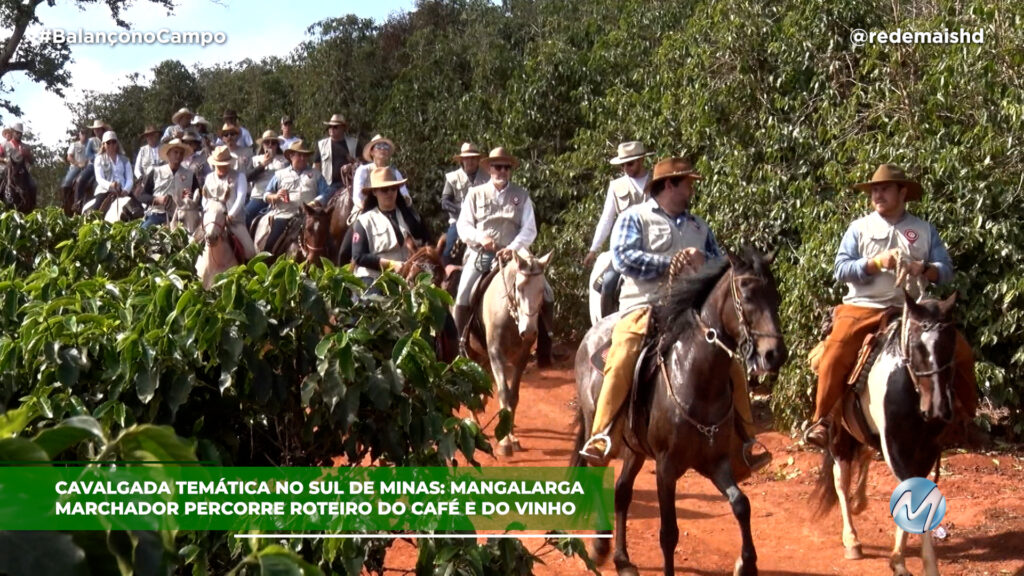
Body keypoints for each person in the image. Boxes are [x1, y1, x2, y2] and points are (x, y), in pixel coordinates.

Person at [577, 157, 769, 471]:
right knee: (623, 353)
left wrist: (701, 260)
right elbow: (623, 259)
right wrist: (671, 262)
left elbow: (721, 268)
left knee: (731, 362)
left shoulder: (699, 226)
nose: (692, 189)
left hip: (692, 315)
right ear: (669, 185)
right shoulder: (634, 218)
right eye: (688, 183)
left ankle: (745, 442)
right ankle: (602, 436)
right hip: (644, 305)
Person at [803, 164, 978, 448]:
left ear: (902, 192)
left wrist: (922, 267)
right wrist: (876, 263)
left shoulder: (924, 230)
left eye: (884, 188)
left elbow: (946, 271)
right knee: (835, 353)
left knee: (961, 351)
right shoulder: (859, 228)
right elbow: (841, 269)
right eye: (874, 189)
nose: (877, 194)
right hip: (863, 307)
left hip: (914, 309)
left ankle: (965, 419)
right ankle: (822, 420)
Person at [453, 146, 556, 365]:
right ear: (489, 168)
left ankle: (546, 349)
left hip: (515, 253)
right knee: (462, 294)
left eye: (506, 168)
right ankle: (460, 344)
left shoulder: (521, 196)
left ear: (510, 170)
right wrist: (481, 238)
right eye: (497, 167)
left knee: (546, 291)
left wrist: (514, 246)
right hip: (482, 252)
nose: (502, 171)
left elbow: (530, 229)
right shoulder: (475, 194)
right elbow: (463, 225)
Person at [584, 141, 654, 316]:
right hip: (626, 248)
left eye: (630, 163)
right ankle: (606, 326)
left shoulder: (658, 181)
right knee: (608, 282)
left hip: (657, 244)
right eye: (623, 164)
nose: (626, 168)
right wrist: (594, 249)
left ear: (642, 160)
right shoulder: (616, 186)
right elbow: (606, 219)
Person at [351, 166, 431, 285]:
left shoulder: (412, 217)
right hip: (375, 279)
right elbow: (358, 256)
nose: (389, 193)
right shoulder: (364, 221)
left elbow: (427, 243)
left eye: (393, 188)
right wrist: (391, 265)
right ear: (374, 192)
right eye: (384, 189)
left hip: (408, 278)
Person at [261, 140, 329, 251]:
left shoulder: (316, 174)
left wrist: (314, 202)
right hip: (285, 215)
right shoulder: (280, 174)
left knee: (327, 242)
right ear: (291, 155)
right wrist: (275, 196)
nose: (303, 158)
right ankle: (267, 265)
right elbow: (266, 194)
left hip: (308, 217)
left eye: (305, 155)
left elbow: (326, 193)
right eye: (299, 155)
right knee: (270, 246)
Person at [201, 145, 256, 261]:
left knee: (251, 251)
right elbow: (204, 199)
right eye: (219, 166)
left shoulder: (239, 177)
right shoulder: (209, 178)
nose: (222, 168)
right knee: (193, 244)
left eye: (225, 165)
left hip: (233, 221)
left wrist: (231, 214)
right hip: (212, 221)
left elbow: (241, 198)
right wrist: (209, 212)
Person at [440, 142, 488, 265]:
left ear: (478, 160)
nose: (470, 161)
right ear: (462, 160)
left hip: (483, 221)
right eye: (467, 158)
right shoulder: (453, 177)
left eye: (473, 158)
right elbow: (445, 202)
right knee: (448, 251)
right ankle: (444, 276)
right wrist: (463, 213)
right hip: (459, 222)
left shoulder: (487, 178)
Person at [137, 138, 200, 228]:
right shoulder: (156, 172)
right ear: (168, 154)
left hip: (183, 218)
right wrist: (158, 199)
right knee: (140, 235)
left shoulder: (190, 175)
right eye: (175, 152)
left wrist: (190, 197)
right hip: (158, 215)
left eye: (181, 153)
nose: (178, 155)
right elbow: (142, 196)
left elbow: (198, 198)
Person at [352, 135, 412, 211]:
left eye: (386, 147)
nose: (383, 149)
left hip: (391, 208)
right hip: (366, 208)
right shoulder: (363, 170)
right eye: (379, 146)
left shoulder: (394, 172)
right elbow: (357, 196)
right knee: (355, 221)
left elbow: (404, 193)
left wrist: (406, 201)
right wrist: (363, 208)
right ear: (372, 152)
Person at [245, 129, 290, 228]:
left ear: (277, 145)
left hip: (278, 197)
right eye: (267, 142)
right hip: (259, 197)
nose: (270, 145)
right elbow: (247, 177)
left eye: (273, 143)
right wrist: (262, 165)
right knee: (245, 217)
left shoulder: (285, 160)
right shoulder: (255, 159)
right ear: (263, 144)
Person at [313, 113, 357, 203]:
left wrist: (352, 165)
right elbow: (316, 166)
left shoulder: (354, 143)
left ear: (343, 128)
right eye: (330, 127)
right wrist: (316, 184)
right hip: (328, 185)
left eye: (335, 127)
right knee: (320, 203)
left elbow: (361, 162)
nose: (332, 129)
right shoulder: (321, 144)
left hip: (350, 184)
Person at [86, 131, 133, 212]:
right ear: (103, 145)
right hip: (105, 191)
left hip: (123, 191)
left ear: (117, 144)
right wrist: (110, 185)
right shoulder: (99, 159)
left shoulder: (125, 160)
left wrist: (126, 190)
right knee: (95, 213)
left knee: (139, 209)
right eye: (108, 143)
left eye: (114, 142)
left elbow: (130, 179)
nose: (111, 145)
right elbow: (99, 178)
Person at [73, 120, 110, 208]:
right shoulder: (91, 141)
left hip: (107, 165)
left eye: (99, 129)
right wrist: (98, 155)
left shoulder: (109, 139)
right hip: (93, 166)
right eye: (95, 130)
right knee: (80, 179)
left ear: (102, 130)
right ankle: (77, 202)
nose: (97, 131)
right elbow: (88, 155)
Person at [60, 128, 89, 197]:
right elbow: (69, 157)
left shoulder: (90, 145)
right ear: (80, 135)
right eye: (82, 134)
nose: (84, 136)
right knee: (67, 182)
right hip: (76, 167)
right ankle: (65, 201)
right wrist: (78, 164)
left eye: (86, 134)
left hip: (88, 168)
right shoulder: (74, 145)